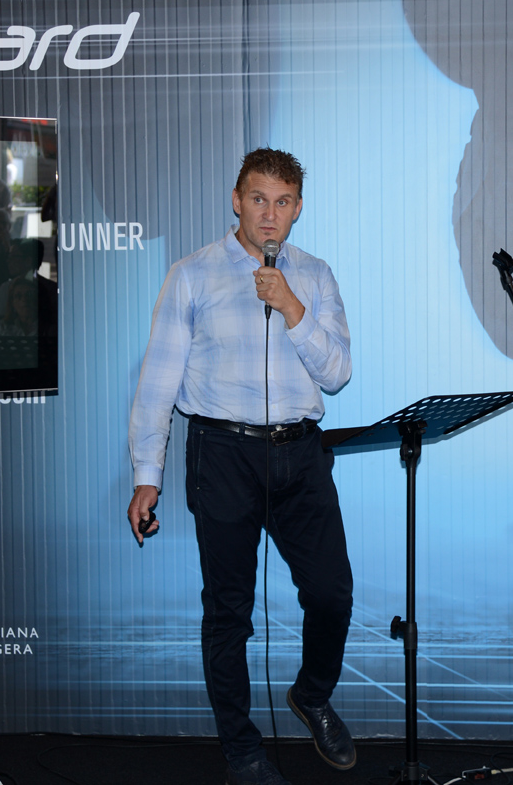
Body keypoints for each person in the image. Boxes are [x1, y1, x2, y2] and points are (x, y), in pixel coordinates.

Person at [127, 149, 354, 785]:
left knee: (332, 593)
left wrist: (292, 308)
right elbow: (159, 380)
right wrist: (147, 474)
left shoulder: (315, 276)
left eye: (282, 203)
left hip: (300, 454)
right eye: (258, 200)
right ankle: (243, 750)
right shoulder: (192, 274)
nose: (269, 215)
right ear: (236, 200)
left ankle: (311, 695)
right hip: (222, 454)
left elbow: (338, 374)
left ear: (298, 208)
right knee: (228, 611)